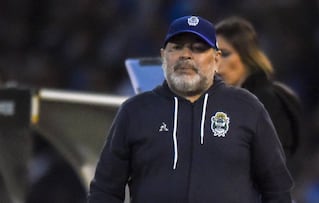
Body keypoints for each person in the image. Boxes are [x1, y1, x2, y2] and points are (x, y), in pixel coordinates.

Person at [88, 15, 293, 203]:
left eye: (198, 48)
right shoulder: (134, 111)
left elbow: (277, 188)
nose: (185, 55)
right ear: (163, 56)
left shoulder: (247, 108)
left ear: (216, 59)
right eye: (176, 47)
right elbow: (105, 191)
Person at [215, 16, 302, 158]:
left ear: (246, 55)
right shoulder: (223, 103)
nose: (216, 65)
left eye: (225, 54)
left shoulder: (268, 101)